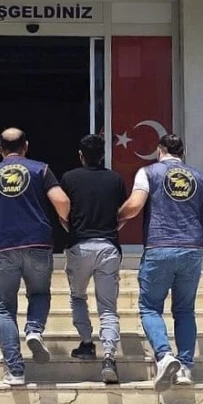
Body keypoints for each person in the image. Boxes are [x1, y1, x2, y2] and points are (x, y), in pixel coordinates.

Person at [0, 128, 71, 386]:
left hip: (3, 246)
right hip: (38, 243)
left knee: (5, 308)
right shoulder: (41, 170)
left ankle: (15, 371)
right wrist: (64, 220)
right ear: (26, 146)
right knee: (39, 294)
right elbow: (61, 200)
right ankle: (34, 330)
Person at [118, 134, 203, 388]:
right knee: (185, 310)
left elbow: (135, 205)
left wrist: (116, 218)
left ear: (159, 150)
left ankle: (164, 356)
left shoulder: (148, 172)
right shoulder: (200, 177)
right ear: (182, 152)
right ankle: (185, 368)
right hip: (192, 249)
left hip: (159, 246)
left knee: (150, 307)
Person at [61, 134, 128, 384]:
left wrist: (68, 227)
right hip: (108, 247)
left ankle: (87, 343)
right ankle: (109, 357)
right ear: (103, 155)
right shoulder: (115, 179)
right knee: (108, 307)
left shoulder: (69, 178)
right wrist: (114, 227)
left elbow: (62, 208)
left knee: (78, 296)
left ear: (81, 155)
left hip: (79, 246)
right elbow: (122, 211)